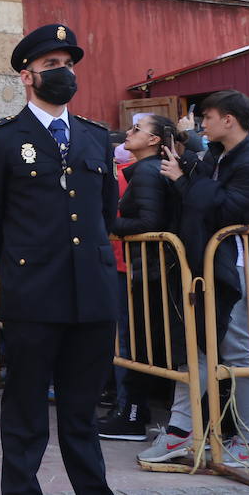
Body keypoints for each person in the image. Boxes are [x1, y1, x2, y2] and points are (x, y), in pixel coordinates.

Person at [0, 22, 116, 495]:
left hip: (91, 293)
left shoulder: (95, 137)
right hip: (34, 295)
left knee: (82, 411)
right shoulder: (3, 139)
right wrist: (23, 262)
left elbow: (106, 210)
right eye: (52, 65)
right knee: (27, 409)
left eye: (68, 65)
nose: (63, 73)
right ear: (27, 76)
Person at [139, 89, 249, 470]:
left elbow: (224, 210)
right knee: (198, 348)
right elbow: (201, 202)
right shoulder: (217, 156)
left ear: (228, 119)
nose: (203, 125)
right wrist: (184, 176)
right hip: (212, 266)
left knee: (237, 355)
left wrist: (185, 178)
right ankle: (183, 431)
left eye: (208, 117)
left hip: (239, 267)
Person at [98, 113, 182, 441]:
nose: (128, 133)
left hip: (144, 269)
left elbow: (149, 223)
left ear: (154, 141)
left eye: (137, 129)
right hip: (143, 268)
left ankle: (131, 414)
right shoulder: (146, 169)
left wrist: (107, 224)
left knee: (133, 343)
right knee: (133, 341)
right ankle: (130, 410)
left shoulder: (146, 172)